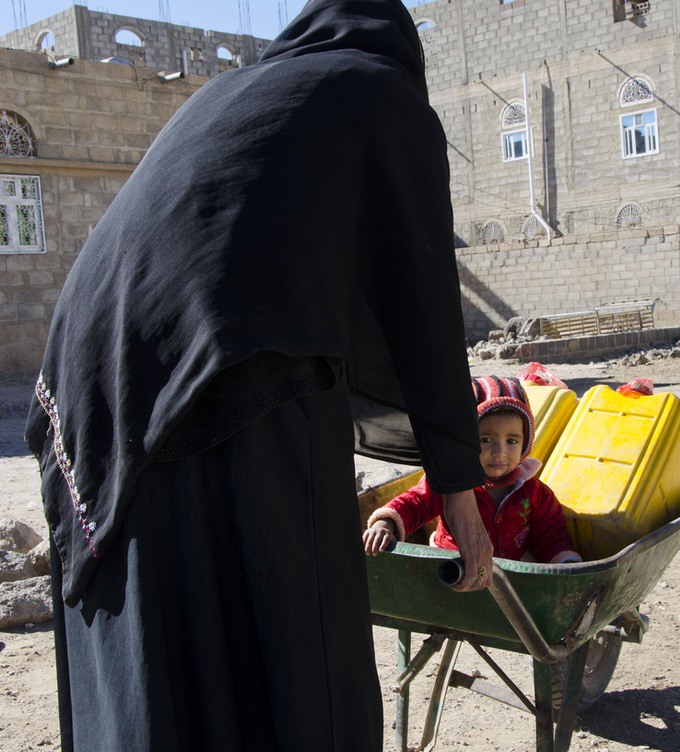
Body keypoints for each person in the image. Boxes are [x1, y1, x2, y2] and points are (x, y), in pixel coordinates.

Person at [24, 2, 493, 750]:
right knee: (296, 642)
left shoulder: (241, 92)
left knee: (168, 627)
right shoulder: (382, 94)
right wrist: (459, 495)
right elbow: (422, 304)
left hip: (97, 365)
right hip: (235, 365)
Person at [364, 376, 582, 565]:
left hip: (513, 570)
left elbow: (550, 534)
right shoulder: (451, 481)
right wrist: (386, 524)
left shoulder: (534, 492)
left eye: (512, 441)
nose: (500, 452)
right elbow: (415, 502)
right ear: (466, 441)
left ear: (526, 442)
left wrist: (564, 561)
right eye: (486, 439)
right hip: (453, 564)